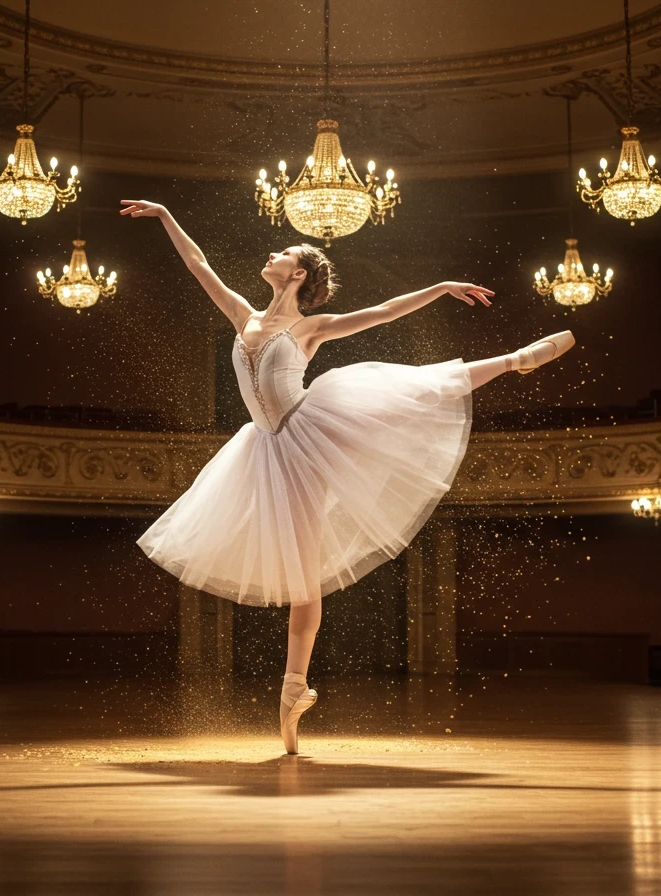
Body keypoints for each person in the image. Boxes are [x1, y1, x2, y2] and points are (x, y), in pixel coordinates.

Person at [121, 199, 575, 753]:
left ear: (298, 272)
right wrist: (167, 213)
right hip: (265, 449)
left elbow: (383, 311)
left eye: (281, 251)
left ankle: (512, 361)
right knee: (300, 574)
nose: (271, 253)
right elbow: (198, 265)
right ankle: (294, 692)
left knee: (402, 398)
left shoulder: (312, 328)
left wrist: (440, 287)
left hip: (310, 432)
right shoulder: (243, 315)